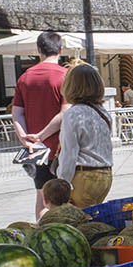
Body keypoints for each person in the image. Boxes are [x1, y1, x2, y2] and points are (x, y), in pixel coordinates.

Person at [12, 31, 69, 221]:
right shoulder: (65, 76)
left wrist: (26, 140)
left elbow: (17, 114)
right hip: (63, 149)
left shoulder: (24, 78)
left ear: (38, 50)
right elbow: (65, 113)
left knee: (43, 198)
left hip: (36, 152)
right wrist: (42, 135)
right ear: (61, 50)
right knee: (67, 199)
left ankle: (42, 231)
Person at [55, 64, 113, 208]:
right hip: (105, 175)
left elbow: (69, 154)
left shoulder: (73, 114)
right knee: (94, 217)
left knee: (80, 219)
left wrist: (63, 183)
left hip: (83, 176)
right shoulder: (103, 113)